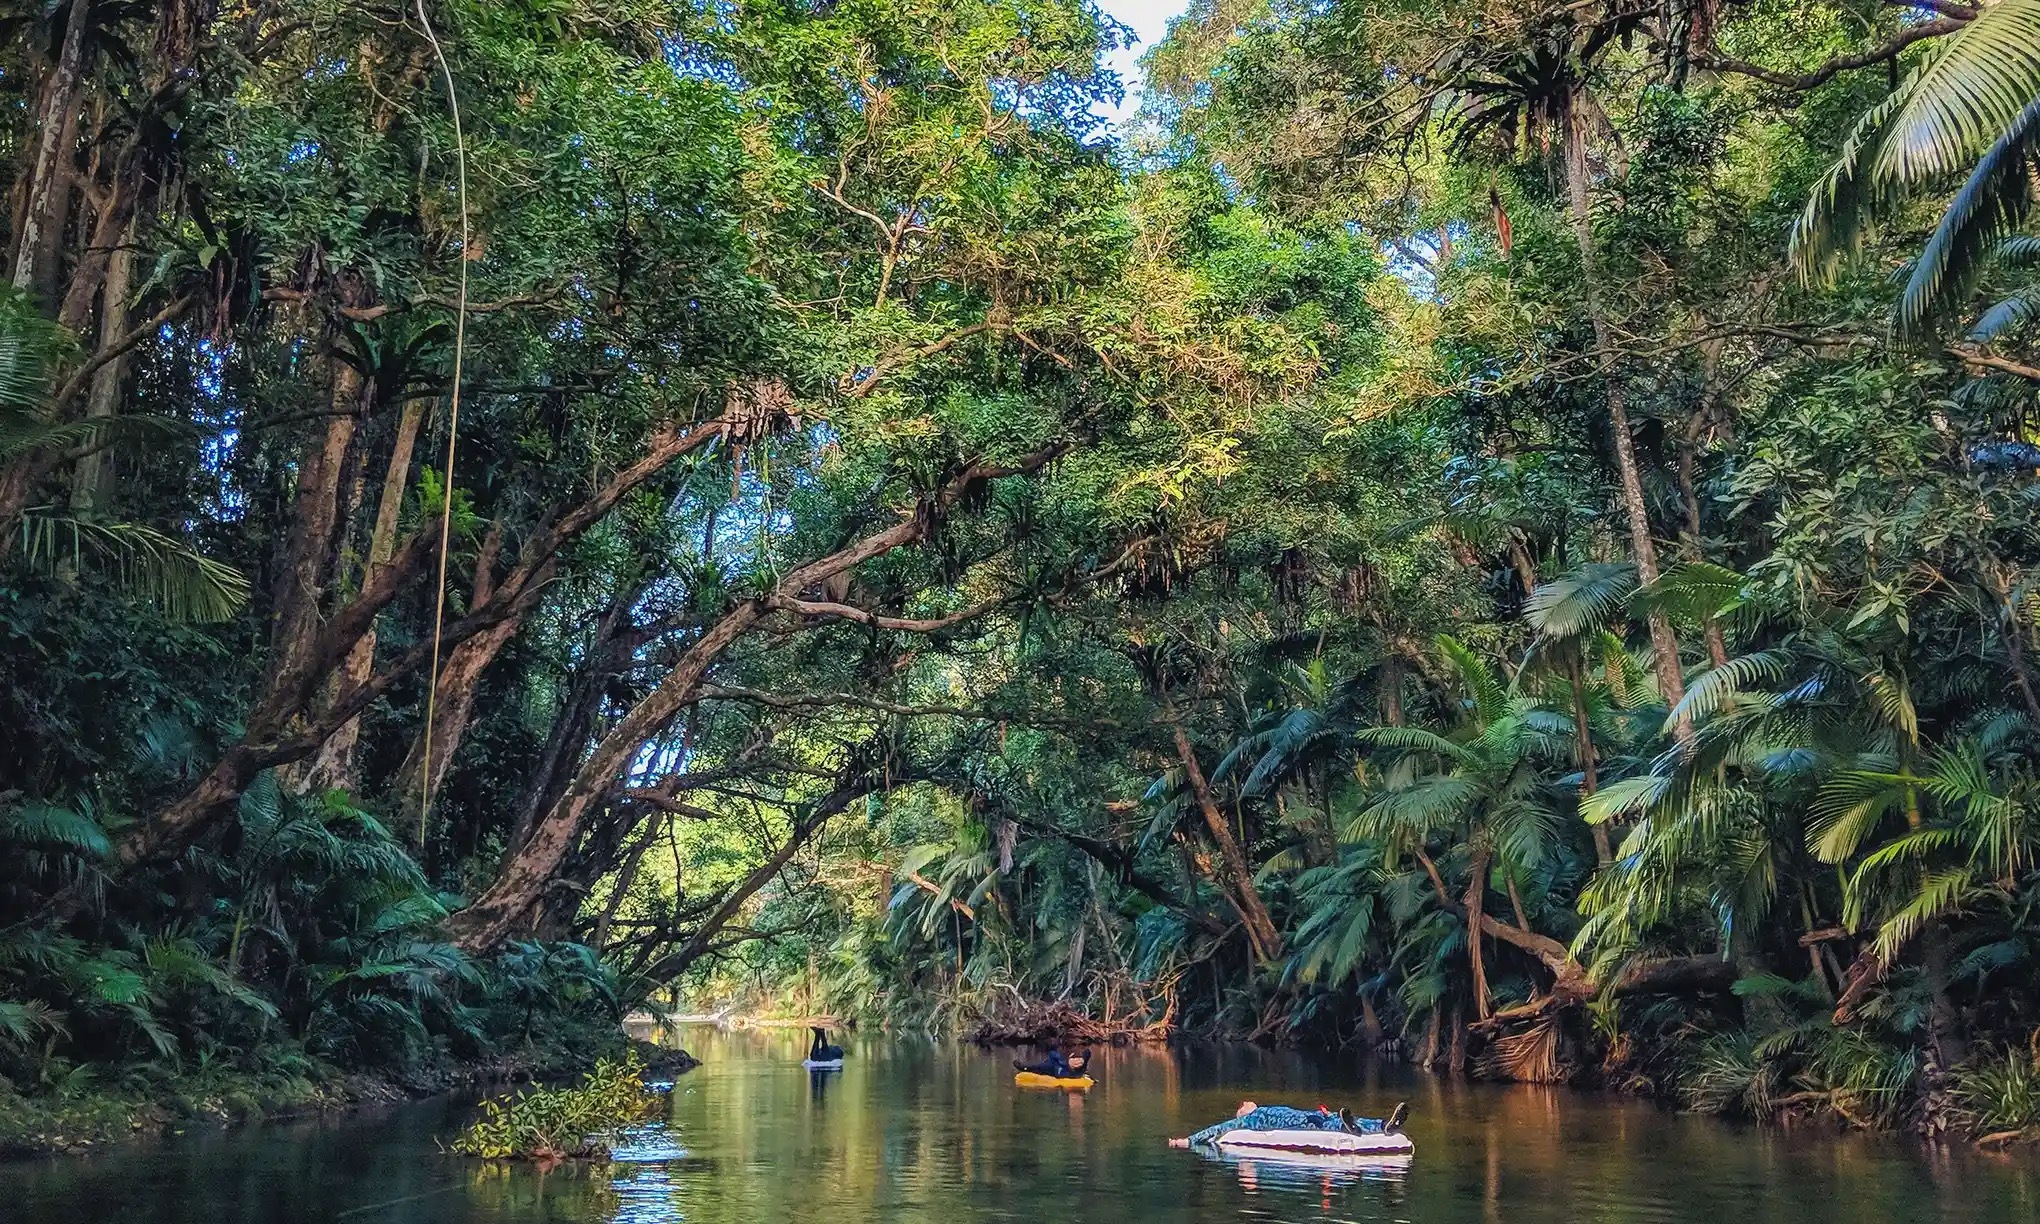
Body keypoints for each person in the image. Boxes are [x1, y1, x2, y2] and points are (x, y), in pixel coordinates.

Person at [1167, 1099, 1407, 1148]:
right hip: (1292, 1122)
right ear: (1241, 1114)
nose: (1246, 1102)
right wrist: (1186, 1141)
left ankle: (1385, 1125)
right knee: (1320, 1122)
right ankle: (1347, 1127)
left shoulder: (1261, 1109)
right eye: (1242, 1105)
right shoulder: (1249, 1120)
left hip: (1302, 1113)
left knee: (1332, 1117)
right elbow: (1215, 1130)